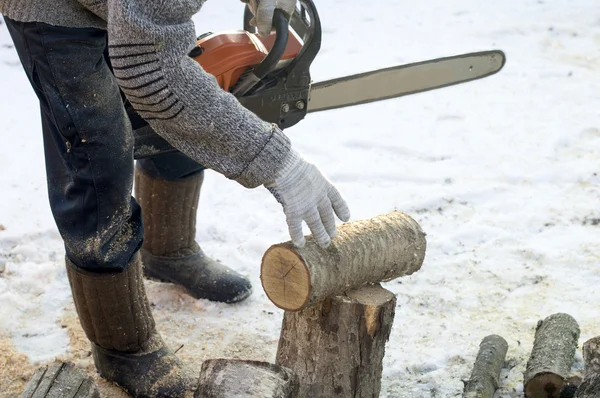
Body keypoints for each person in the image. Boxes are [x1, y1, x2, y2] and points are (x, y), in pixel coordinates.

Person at [0, 0, 351, 396]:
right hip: (54, 14)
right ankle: (121, 347)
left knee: (198, 90)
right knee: (97, 153)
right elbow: (153, 76)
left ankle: (168, 252)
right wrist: (278, 162)